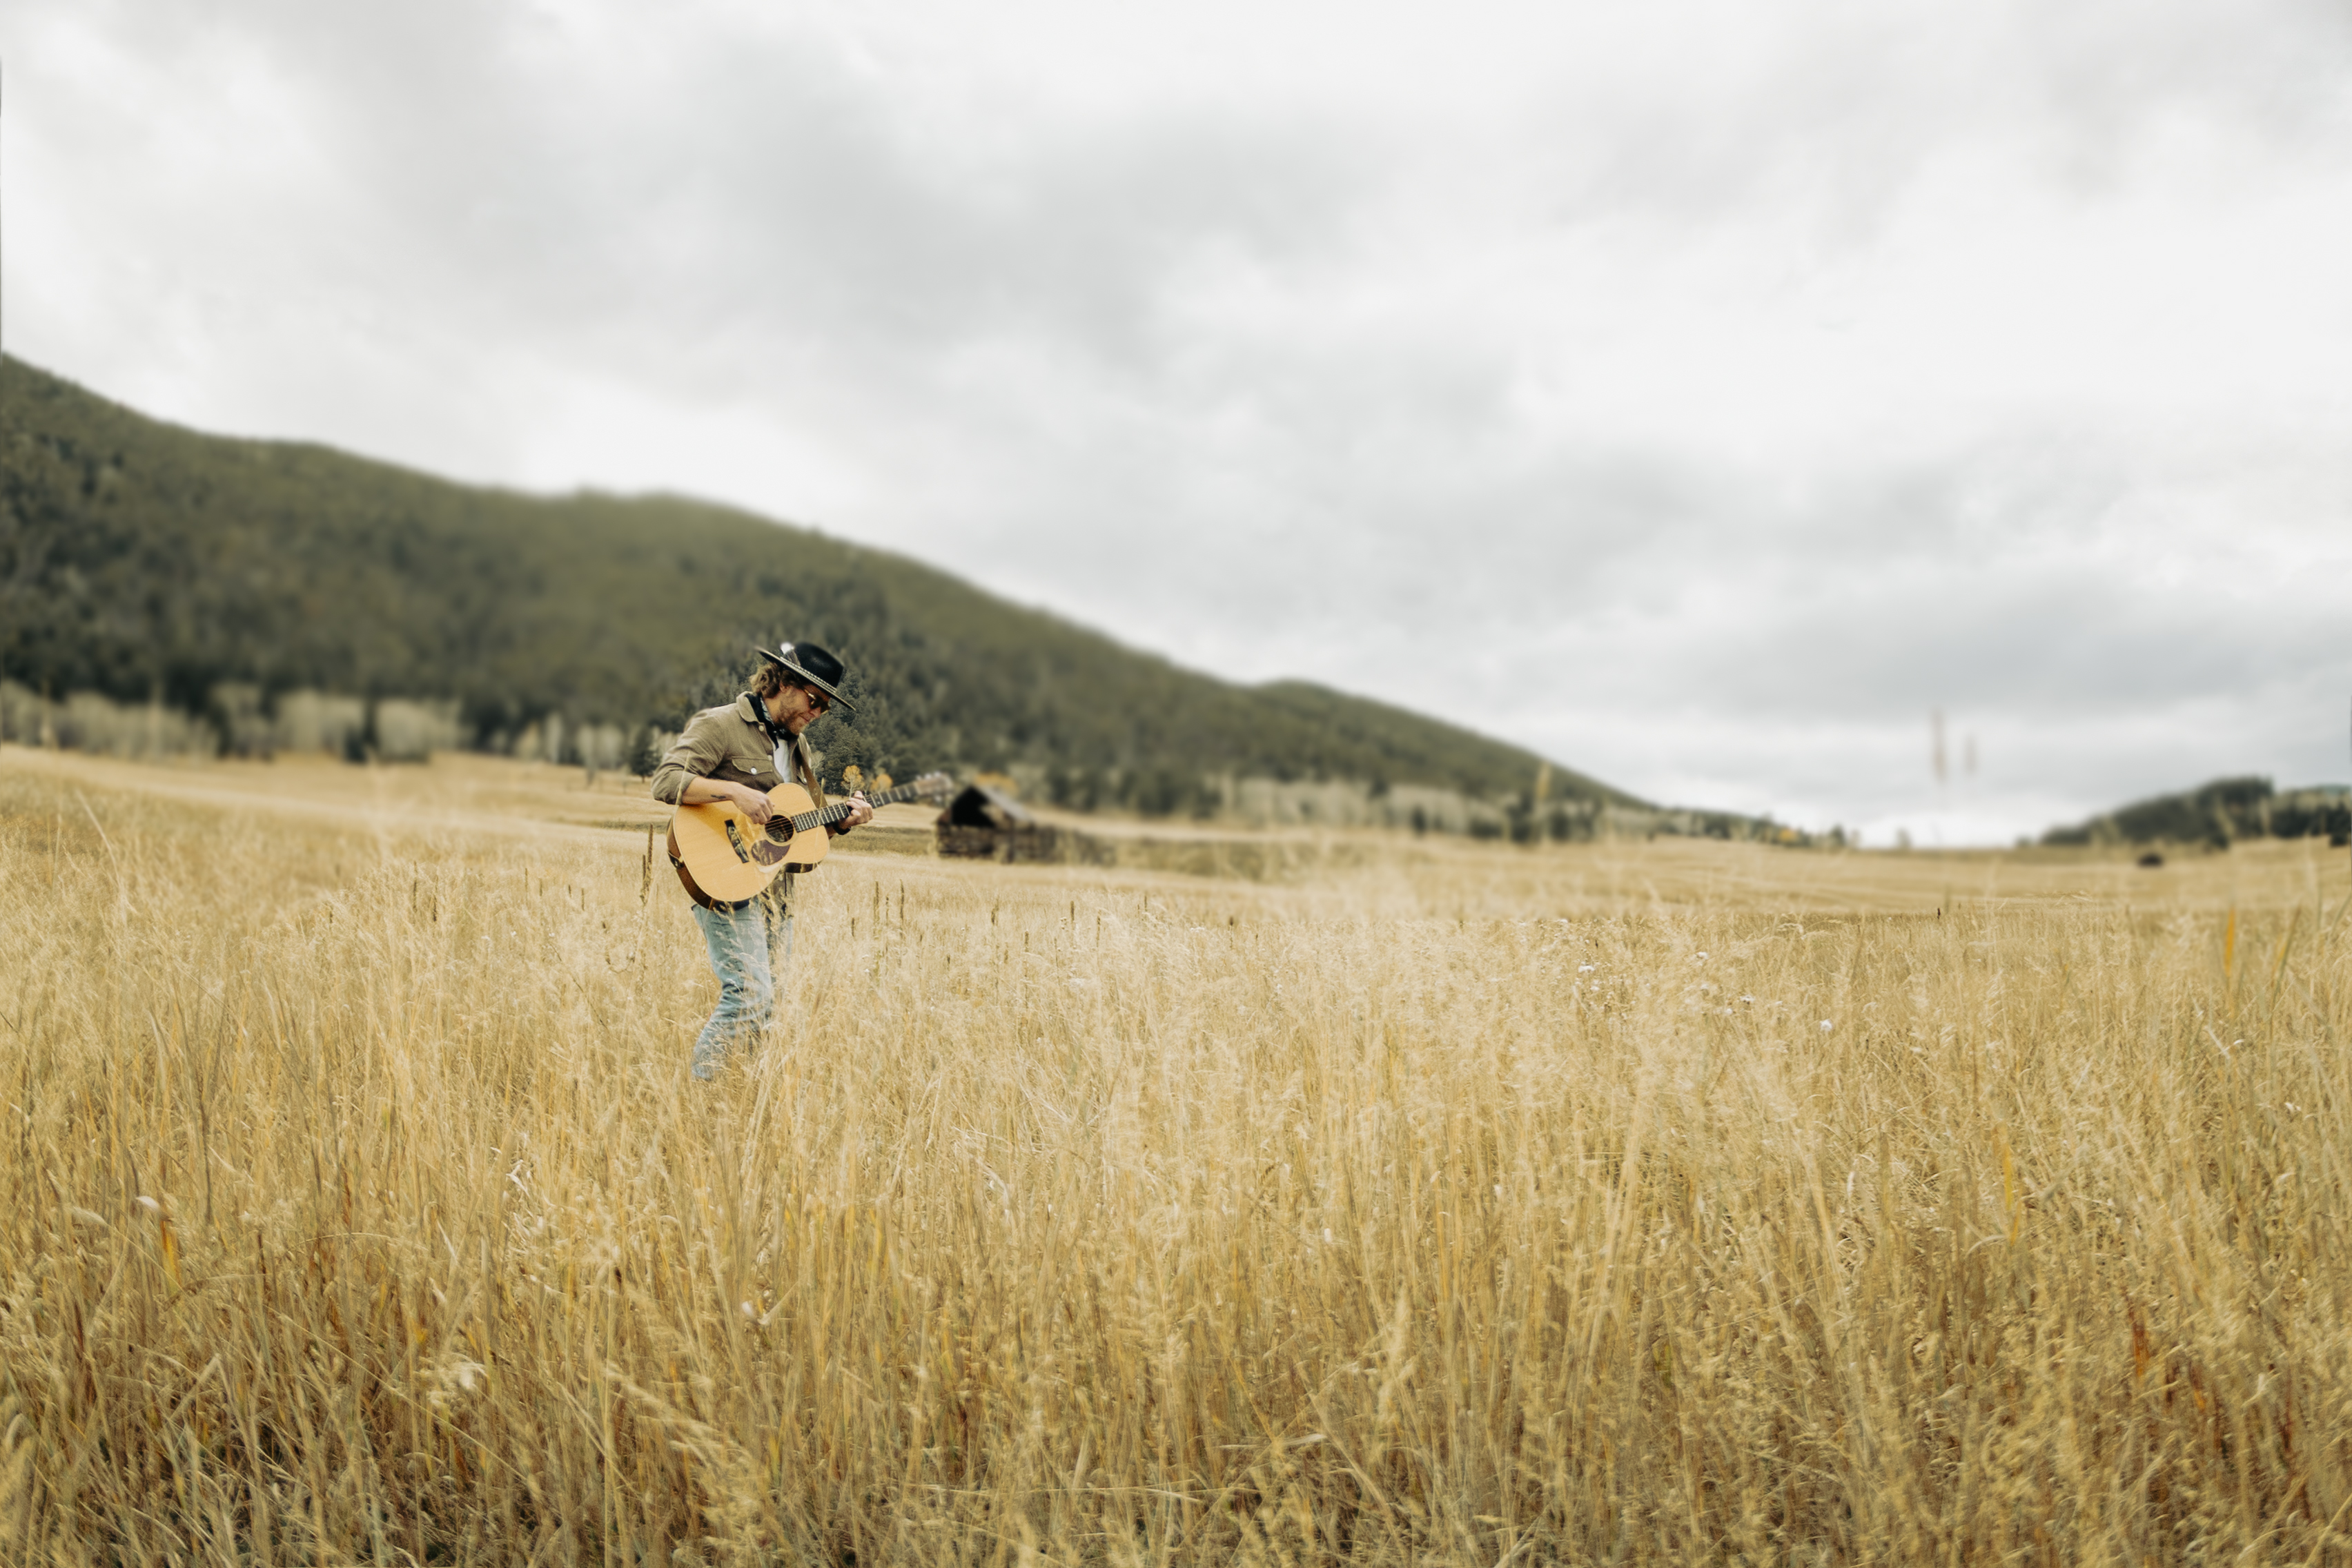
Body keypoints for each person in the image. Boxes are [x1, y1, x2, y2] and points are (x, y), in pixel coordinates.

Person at [649, 642, 873, 1079]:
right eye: (815, 700)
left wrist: (844, 822)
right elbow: (666, 781)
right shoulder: (721, 724)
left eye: (826, 707)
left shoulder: (799, 749)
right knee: (749, 996)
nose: (818, 712)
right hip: (724, 880)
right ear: (785, 682)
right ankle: (699, 1094)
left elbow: (800, 828)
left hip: (776, 891)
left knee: (768, 1005)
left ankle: (737, 1093)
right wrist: (733, 791)